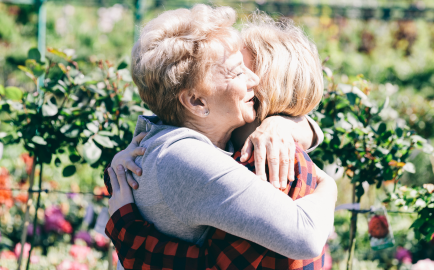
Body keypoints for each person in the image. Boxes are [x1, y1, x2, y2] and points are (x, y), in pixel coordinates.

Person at [106, 5, 336, 270]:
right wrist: (328, 185)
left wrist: (281, 125)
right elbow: (304, 237)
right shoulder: (185, 157)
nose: (254, 80)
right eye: (238, 71)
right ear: (196, 101)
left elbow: (309, 130)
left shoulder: (209, 140)